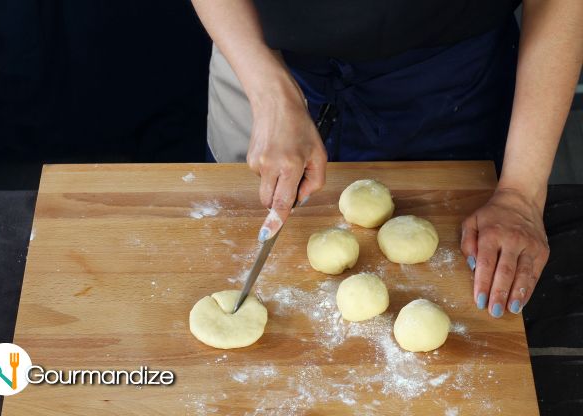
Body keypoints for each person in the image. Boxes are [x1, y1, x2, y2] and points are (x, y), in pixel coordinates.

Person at [191, 0, 583, 318]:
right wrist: (269, 93)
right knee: (227, 243)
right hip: (254, 53)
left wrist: (520, 194)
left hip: (446, 87)